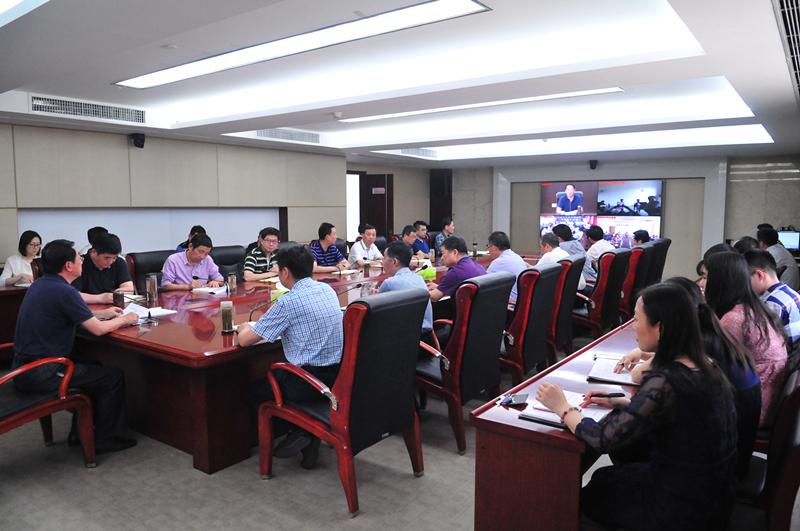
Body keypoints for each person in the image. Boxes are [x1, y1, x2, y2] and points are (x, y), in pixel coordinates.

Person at [536, 283, 737, 530]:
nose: (633, 325)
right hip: (714, 494)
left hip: (680, 506)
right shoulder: (706, 364)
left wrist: (563, 408)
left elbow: (604, 439)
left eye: (637, 319)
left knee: (591, 493)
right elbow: (682, 415)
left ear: (660, 328)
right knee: (604, 478)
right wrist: (623, 403)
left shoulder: (666, 381)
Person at [617, 277, 760, 479]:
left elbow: (638, 375)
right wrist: (644, 354)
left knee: (626, 443)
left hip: (721, 465)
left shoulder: (699, 345)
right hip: (729, 447)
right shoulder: (710, 334)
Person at [11, 239, 140, 454]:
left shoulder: (42, 284)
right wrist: (127, 319)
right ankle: (105, 439)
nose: (82, 260)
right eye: (79, 258)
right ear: (68, 266)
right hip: (42, 372)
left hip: (24, 367)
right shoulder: (64, 291)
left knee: (95, 365)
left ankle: (79, 433)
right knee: (112, 377)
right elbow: (98, 330)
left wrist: (103, 313)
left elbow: (69, 314)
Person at [238, 245, 342, 470]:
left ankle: (301, 429)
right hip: (335, 379)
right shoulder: (327, 290)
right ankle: (305, 431)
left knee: (250, 390)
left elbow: (245, 340)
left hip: (305, 383)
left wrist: (243, 327)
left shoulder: (289, 302)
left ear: (285, 272)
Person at [705, 251, 788, 426]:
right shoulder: (753, 308)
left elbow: (711, 367)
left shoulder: (734, 319)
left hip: (753, 409)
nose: (702, 284)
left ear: (718, 282)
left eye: (706, 277)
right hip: (766, 401)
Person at [745, 249, 800, 348]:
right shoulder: (791, 292)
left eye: (746, 279)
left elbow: (764, 343)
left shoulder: (771, 304)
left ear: (759, 275)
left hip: (786, 353)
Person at [379, 241, 433, 341]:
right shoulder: (419, 278)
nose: (382, 261)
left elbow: (377, 315)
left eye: (384, 258)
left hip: (402, 340)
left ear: (394, 262)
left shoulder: (389, 283)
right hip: (426, 339)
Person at [72, 233, 134, 303]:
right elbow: (73, 295)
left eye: (114, 257)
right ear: (94, 252)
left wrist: (116, 294)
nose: (110, 261)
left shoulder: (119, 262)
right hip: (88, 307)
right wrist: (101, 298)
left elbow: (129, 288)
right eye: (106, 258)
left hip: (113, 305)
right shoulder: (79, 264)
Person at [427, 236, 485, 302]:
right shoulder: (479, 266)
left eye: (442, 253)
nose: (442, 258)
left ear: (454, 252)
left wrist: (421, 289)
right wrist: (440, 287)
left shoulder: (455, 272)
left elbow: (433, 297)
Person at [485, 231, 527, 309]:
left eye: (488, 247)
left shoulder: (498, 262)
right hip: (519, 304)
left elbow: (484, 286)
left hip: (509, 307)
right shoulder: (517, 257)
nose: (488, 251)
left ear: (493, 247)